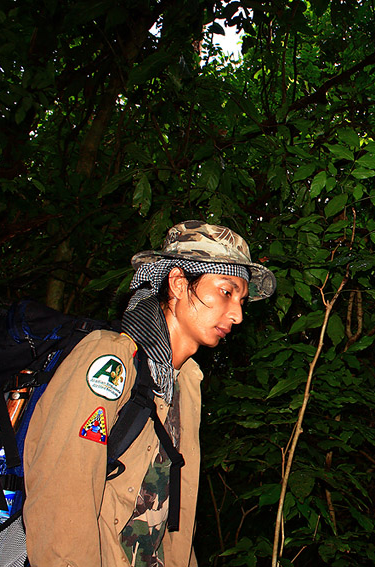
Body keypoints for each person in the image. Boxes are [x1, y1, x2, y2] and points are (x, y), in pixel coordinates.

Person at [23, 220, 276, 567]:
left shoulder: (185, 383)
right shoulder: (110, 360)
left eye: (242, 301)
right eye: (226, 292)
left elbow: (174, 516)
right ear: (178, 283)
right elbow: (62, 497)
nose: (237, 314)